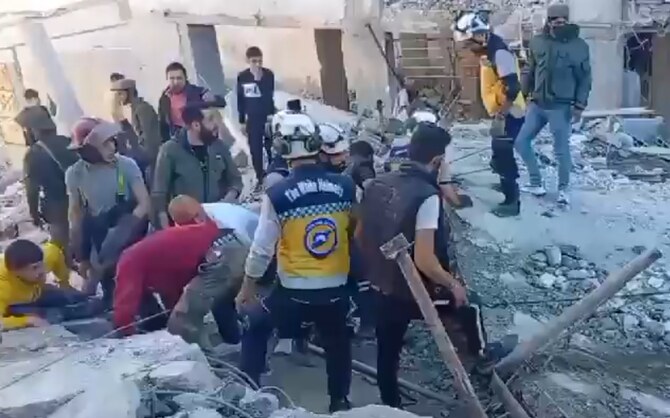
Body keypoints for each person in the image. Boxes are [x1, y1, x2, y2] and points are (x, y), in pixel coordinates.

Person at [358, 123, 495, 409]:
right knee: (471, 303)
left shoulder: (378, 183)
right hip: (411, 292)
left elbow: (359, 236)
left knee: (387, 352)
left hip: (378, 284)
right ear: (437, 160)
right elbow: (424, 260)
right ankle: (481, 358)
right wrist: (452, 284)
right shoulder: (427, 196)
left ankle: (391, 407)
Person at [236, 111, 355, 412]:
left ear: (281, 148)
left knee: (256, 325)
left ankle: (249, 392)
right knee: (338, 343)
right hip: (336, 287)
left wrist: (247, 287)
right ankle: (339, 401)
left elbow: (262, 248)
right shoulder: (346, 186)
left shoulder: (277, 194)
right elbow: (357, 232)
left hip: (293, 291)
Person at [113, 196, 247, 346]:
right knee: (220, 297)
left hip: (222, 250)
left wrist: (124, 332)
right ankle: (234, 340)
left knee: (183, 319)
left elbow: (125, 301)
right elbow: (172, 285)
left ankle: (207, 356)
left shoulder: (130, 260)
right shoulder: (156, 252)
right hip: (230, 245)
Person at [65, 117, 151, 306]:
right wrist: (80, 252)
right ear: (88, 150)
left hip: (128, 229)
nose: (112, 147)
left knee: (139, 285)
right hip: (99, 232)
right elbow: (76, 213)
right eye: (105, 144)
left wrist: (124, 229)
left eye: (112, 141)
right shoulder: (75, 173)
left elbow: (144, 203)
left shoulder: (125, 165)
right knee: (109, 287)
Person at [515, 3, 592, 205]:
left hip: (561, 107)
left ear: (568, 20)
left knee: (561, 150)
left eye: (563, 20)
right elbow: (529, 70)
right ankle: (536, 182)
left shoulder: (579, 46)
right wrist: (521, 95)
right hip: (537, 104)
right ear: (548, 21)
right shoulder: (537, 41)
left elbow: (585, 78)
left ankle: (564, 190)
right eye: (555, 20)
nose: (559, 23)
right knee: (521, 141)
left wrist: (580, 106)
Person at [453, 11, 525, 217]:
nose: (469, 49)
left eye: (469, 44)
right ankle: (504, 182)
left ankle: (512, 201)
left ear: (480, 35)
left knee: (504, 155)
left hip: (511, 111)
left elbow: (513, 88)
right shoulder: (488, 50)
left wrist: (501, 116)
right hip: (502, 110)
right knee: (498, 153)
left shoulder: (499, 53)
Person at [152, 106, 243, 229]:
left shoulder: (219, 146)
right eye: (210, 119)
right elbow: (159, 195)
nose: (216, 124)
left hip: (218, 222)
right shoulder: (170, 150)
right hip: (187, 226)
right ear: (196, 125)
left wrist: (226, 202)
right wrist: (167, 231)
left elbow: (236, 180)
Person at [22, 108, 79, 256]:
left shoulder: (33, 154)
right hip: (79, 202)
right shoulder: (69, 142)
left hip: (55, 209)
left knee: (61, 250)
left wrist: (34, 214)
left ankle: (68, 267)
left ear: (33, 130)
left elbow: (32, 190)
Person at [0, 240, 89, 330]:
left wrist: (64, 282)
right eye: (34, 268)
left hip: (35, 291)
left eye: (41, 265)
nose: (41, 271)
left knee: (76, 297)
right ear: (15, 272)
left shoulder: (44, 258)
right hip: (12, 305)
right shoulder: (3, 285)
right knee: (49, 316)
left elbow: (55, 251)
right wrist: (27, 320)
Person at [237, 46, 276, 188]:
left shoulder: (268, 75)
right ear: (248, 61)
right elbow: (241, 99)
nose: (257, 65)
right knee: (255, 148)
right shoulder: (243, 77)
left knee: (270, 146)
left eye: (260, 61)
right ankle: (260, 175)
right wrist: (241, 120)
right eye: (254, 61)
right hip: (252, 118)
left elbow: (268, 96)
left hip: (267, 116)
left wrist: (258, 81)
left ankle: (273, 173)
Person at [110, 78, 162, 179]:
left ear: (129, 93)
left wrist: (122, 122)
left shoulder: (143, 109)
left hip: (150, 164)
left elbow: (149, 144)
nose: (118, 99)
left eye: (120, 94)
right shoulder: (134, 109)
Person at [158, 62, 223, 141]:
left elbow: (220, 102)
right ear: (167, 79)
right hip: (179, 137)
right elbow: (163, 124)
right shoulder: (164, 98)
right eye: (172, 78)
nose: (176, 82)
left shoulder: (197, 92)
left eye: (179, 78)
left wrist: (209, 99)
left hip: (200, 136)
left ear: (185, 78)